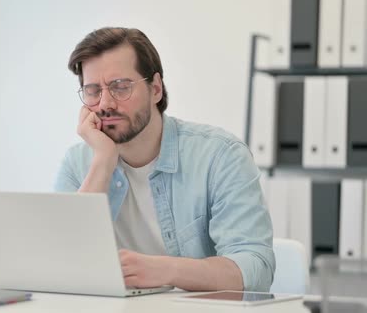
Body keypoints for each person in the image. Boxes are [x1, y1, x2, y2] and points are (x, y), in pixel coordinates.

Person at [54, 27, 275, 292]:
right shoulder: (78, 163)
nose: (104, 104)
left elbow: (255, 269)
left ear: (156, 88)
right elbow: (62, 266)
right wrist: (103, 160)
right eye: (92, 91)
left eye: (120, 87)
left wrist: (166, 270)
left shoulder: (221, 155)